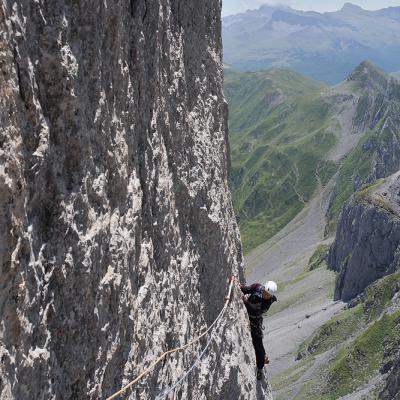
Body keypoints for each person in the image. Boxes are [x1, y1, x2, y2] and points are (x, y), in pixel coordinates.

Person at [240, 281, 278, 380]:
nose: (265, 295)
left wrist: (246, 301)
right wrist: (240, 287)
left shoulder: (267, 303)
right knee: (258, 345)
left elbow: (254, 310)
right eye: (265, 292)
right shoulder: (257, 287)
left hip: (255, 323)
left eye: (268, 294)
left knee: (258, 347)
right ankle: (264, 356)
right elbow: (246, 289)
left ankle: (260, 368)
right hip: (250, 318)